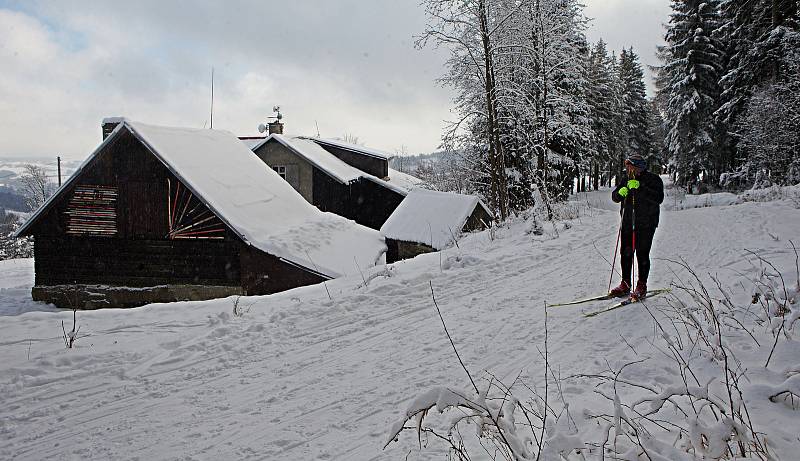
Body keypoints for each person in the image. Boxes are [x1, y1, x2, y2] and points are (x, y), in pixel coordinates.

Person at [609, 154, 664, 299]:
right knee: (626, 253)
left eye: (631, 166)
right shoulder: (626, 179)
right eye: (627, 166)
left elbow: (658, 198)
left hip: (646, 223)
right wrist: (619, 194)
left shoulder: (653, 179)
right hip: (627, 222)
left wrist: (640, 188)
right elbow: (615, 197)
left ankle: (642, 285)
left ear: (640, 167)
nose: (628, 169)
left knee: (642, 253)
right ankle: (625, 284)